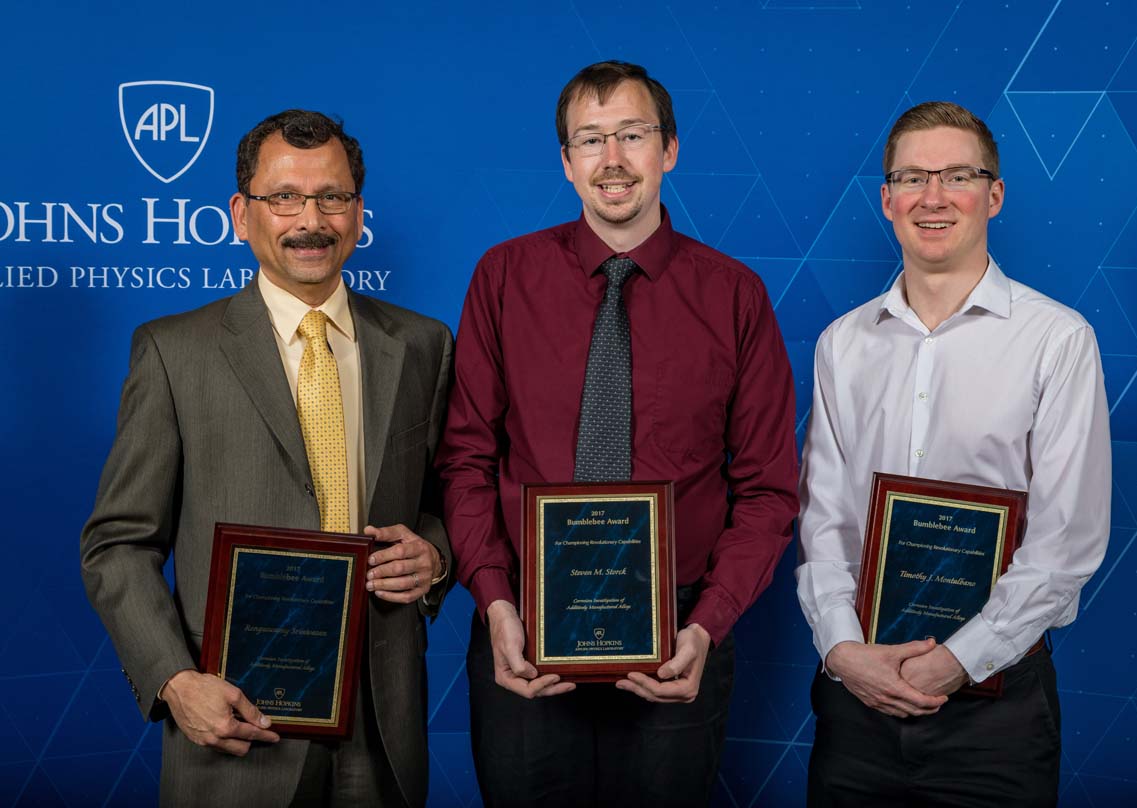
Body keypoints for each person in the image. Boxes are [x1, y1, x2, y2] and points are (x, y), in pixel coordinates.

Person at [436, 60, 799, 807]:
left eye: (632, 135)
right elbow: (467, 460)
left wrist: (707, 626)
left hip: (679, 639)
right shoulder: (502, 278)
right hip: (524, 634)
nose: (612, 160)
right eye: (590, 139)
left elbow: (767, 489)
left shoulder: (735, 296)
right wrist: (496, 603)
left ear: (668, 150)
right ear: (566, 162)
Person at [81, 109, 453, 807]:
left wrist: (433, 556)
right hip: (234, 727)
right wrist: (174, 680)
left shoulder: (423, 345)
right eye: (283, 197)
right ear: (241, 214)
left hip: (381, 726)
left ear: (358, 211)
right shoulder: (174, 353)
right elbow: (117, 545)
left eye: (332, 196)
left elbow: (446, 503)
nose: (310, 218)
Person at [795, 101, 1111, 806]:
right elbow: (824, 524)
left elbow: (1066, 544)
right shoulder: (842, 345)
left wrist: (959, 662)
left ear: (993, 195)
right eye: (911, 177)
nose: (932, 197)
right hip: (856, 704)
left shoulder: (1056, 341)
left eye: (957, 176)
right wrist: (843, 651)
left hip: (994, 713)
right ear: (887, 199)